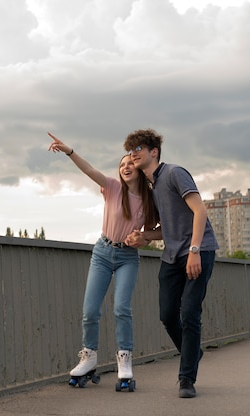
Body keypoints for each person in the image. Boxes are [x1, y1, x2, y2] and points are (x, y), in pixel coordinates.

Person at [47, 132, 159, 385]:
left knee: (121, 309)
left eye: (130, 163)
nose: (126, 167)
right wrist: (69, 151)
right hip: (102, 253)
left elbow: (156, 231)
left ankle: (125, 359)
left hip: (127, 257)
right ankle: (89, 357)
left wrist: (143, 238)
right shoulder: (112, 187)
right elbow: (88, 169)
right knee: (90, 311)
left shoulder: (149, 200)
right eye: (122, 165)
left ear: (139, 168)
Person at [123, 128, 219, 398]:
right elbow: (168, 229)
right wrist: (144, 237)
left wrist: (195, 250)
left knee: (189, 312)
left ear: (154, 152)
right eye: (131, 151)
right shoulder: (151, 187)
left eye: (138, 149)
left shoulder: (175, 173)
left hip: (198, 251)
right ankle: (193, 352)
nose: (134, 154)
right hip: (172, 256)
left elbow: (200, 211)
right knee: (167, 315)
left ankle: (186, 378)